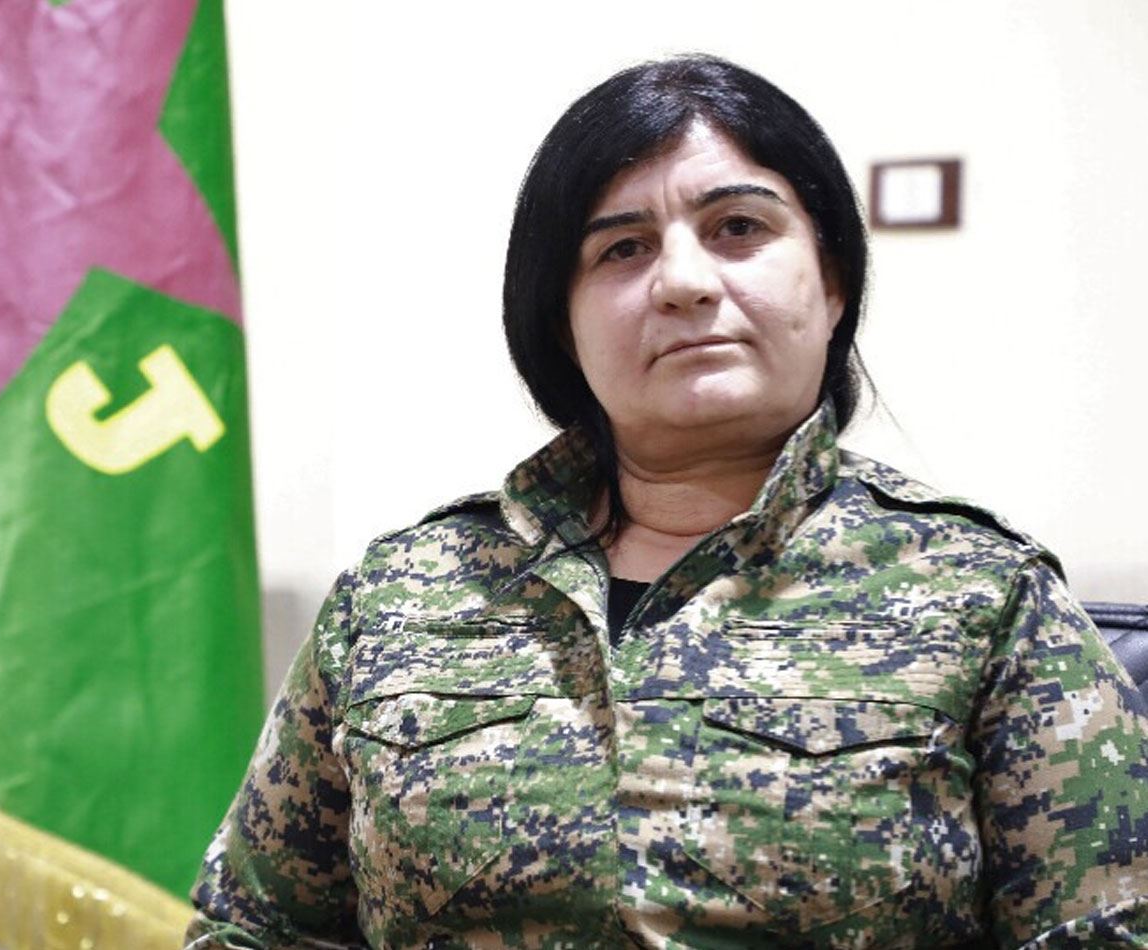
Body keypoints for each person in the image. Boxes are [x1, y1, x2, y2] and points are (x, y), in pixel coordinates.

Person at [184, 55, 1148, 948]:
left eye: (740, 229)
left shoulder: (982, 594)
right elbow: (253, 930)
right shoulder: (401, 594)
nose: (684, 282)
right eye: (622, 249)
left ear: (833, 284)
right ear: (560, 322)